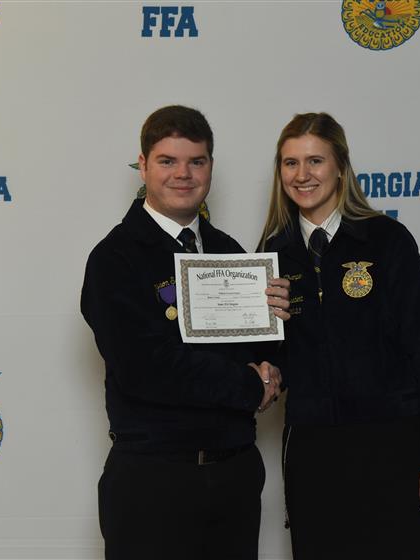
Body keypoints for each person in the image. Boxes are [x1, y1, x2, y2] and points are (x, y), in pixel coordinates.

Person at [81, 105, 290, 560]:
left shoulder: (230, 252)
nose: (183, 174)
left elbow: (256, 350)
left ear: (211, 166)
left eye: (196, 161)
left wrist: (273, 358)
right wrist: (247, 385)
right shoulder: (114, 259)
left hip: (234, 475)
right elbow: (145, 369)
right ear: (143, 165)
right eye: (168, 161)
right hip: (154, 480)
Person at [258, 112, 420, 559]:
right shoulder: (273, 252)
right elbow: (274, 360)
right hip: (313, 455)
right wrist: (267, 357)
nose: (302, 175)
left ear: (341, 167)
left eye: (315, 161)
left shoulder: (387, 240)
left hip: (392, 448)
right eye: (290, 163)